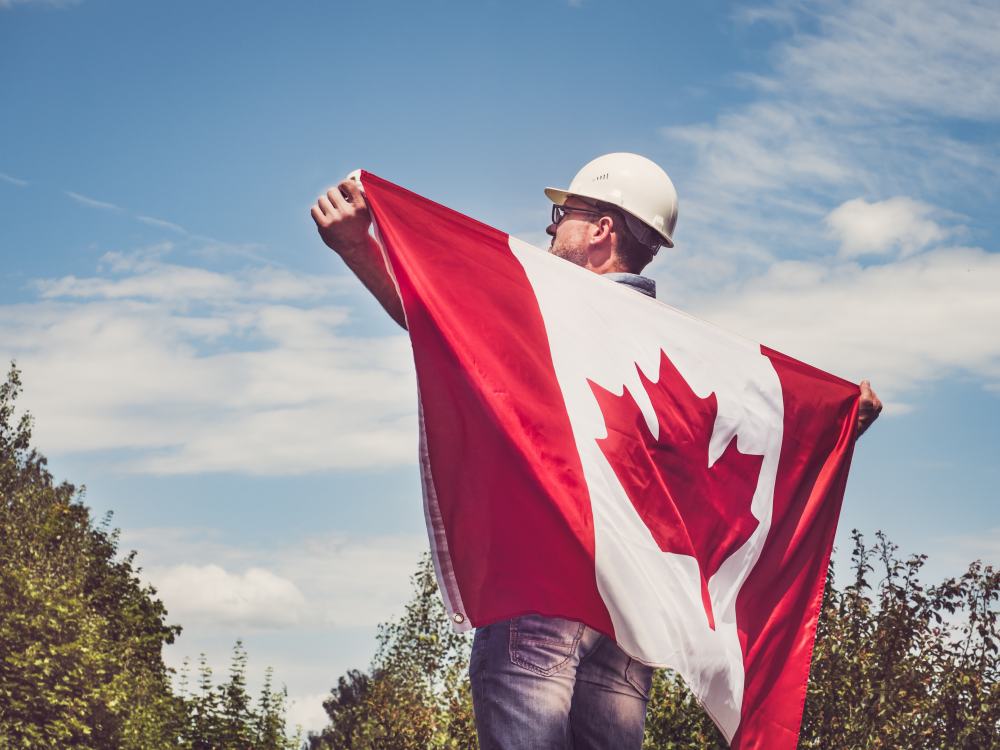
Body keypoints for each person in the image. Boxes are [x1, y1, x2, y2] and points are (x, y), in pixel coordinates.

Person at [311, 153, 883, 749]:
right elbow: (757, 464)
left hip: (540, 597)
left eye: (564, 214)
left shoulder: (546, 307)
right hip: (627, 627)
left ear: (601, 230)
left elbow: (436, 317)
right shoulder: (681, 359)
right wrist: (841, 427)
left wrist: (357, 247)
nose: (551, 228)